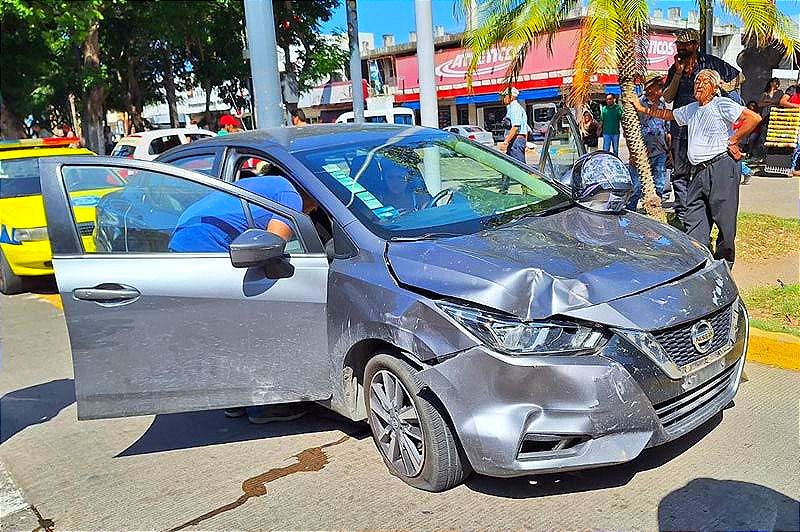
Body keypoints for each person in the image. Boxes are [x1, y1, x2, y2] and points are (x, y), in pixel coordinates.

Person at [633, 69, 761, 266]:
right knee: (694, 218)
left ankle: (724, 264)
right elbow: (668, 115)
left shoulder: (721, 104)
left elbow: (753, 118)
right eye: (696, 81)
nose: (698, 85)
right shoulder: (691, 109)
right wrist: (642, 109)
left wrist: (734, 140)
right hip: (698, 171)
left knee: (725, 220)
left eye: (704, 82)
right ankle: (697, 262)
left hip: (721, 167)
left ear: (715, 87)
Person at [662, 28, 743, 225]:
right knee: (680, 173)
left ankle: (711, 216)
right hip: (682, 127)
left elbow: (740, 77)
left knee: (707, 172)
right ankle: (683, 216)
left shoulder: (710, 63)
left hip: (707, 129)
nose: (680, 48)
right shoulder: (676, 68)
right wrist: (678, 74)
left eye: (685, 44)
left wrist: (724, 85)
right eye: (678, 44)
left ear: (695, 45)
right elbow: (667, 97)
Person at [636, 74, 670, 199]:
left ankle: (656, 208)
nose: (662, 88)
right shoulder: (639, 103)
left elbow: (667, 127)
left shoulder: (662, 105)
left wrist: (669, 150)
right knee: (638, 185)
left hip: (660, 150)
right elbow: (629, 126)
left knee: (659, 182)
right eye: (659, 86)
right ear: (650, 88)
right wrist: (633, 151)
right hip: (642, 150)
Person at [500, 86, 529, 165]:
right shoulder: (512, 108)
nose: (503, 99)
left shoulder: (515, 107)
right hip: (517, 140)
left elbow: (516, 127)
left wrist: (506, 142)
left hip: (516, 141)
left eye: (505, 96)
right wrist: (525, 143)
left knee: (518, 167)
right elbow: (525, 129)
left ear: (511, 96)